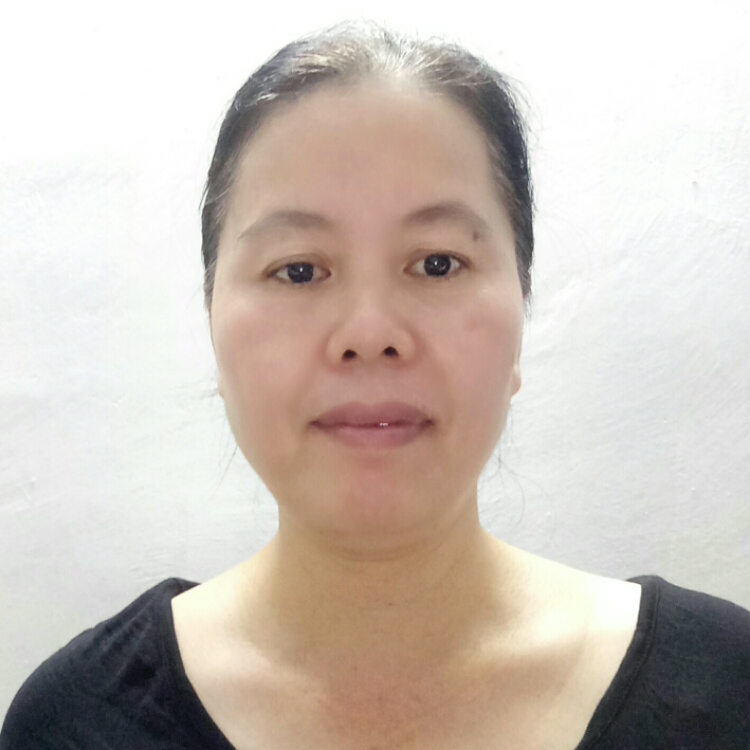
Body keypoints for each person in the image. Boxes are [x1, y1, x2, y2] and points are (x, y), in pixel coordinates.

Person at [2, 21, 749, 750]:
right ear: (212, 324)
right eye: (299, 270)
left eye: (437, 264)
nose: (369, 331)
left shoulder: (727, 689)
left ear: (521, 314)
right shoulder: (74, 724)